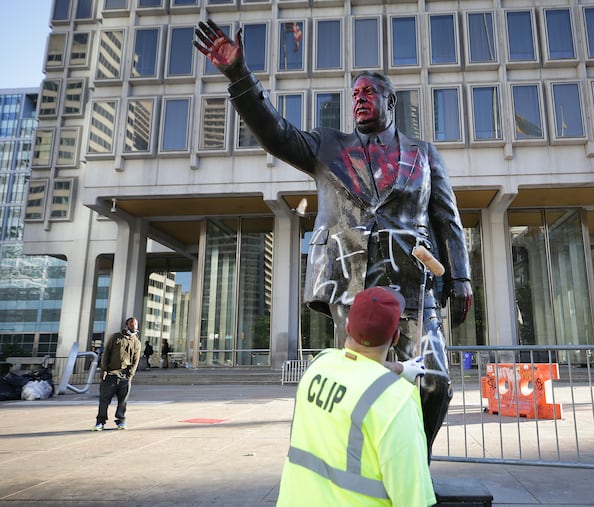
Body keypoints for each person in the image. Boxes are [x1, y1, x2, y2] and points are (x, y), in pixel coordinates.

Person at [194, 20, 473, 454]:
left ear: (390, 101)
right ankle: (371, 471)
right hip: (352, 281)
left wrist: (461, 277)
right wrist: (238, 75)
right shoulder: (328, 146)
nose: (359, 99)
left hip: (415, 283)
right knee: (364, 384)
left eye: (368, 93)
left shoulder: (424, 154)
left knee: (433, 383)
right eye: (355, 95)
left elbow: (448, 219)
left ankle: (416, 461)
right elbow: (275, 133)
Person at [276, 286, 435, 506]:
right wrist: (402, 369)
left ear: (348, 326)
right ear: (396, 337)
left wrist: (400, 367)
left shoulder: (319, 364)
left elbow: (362, 364)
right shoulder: (396, 400)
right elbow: (412, 498)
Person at [93, 317, 141, 431]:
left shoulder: (137, 342)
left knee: (123, 401)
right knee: (104, 400)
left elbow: (136, 360)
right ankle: (100, 422)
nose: (133, 326)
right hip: (111, 374)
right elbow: (106, 354)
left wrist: (130, 374)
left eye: (135, 324)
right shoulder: (116, 337)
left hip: (125, 376)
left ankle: (121, 421)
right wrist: (104, 370)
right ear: (126, 325)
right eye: (131, 324)